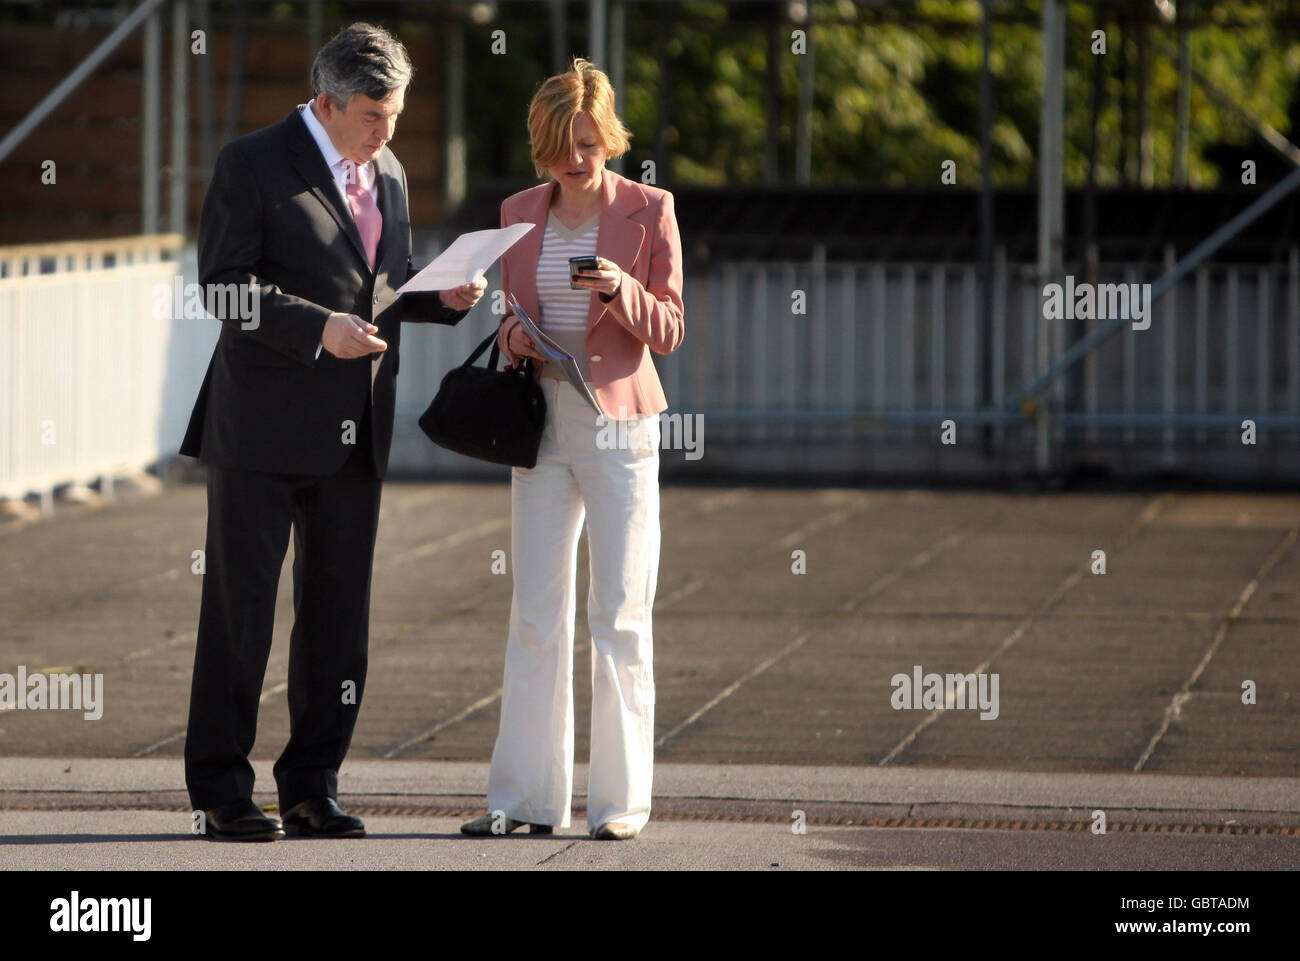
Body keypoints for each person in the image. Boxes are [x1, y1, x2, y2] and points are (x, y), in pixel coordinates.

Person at [180, 22, 485, 841]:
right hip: (260, 429)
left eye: (394, 116)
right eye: (372, 116)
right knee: (239, 612)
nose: (387, 133)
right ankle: (221, 791)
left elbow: (382, 288)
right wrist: (320, 328)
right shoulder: (251, 163)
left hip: (357, 427)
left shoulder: (386, 171)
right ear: (325, 100)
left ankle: (312, 784)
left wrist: (440, 297)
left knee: (338, 620)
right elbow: (226, 289)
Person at [461, 58, 684, 841]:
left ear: (609, 137)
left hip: (621, 426)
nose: (576, 158)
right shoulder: (519, 210)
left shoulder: (650, 209)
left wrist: (620, 286)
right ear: (541, 142)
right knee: (535, 613)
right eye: (561, 143)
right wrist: (512, 334)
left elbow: (670, 329)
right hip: (542, 421)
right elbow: (512, 315)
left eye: (588, 142)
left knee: (619, 614)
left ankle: (620, 806)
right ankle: (525, 800)